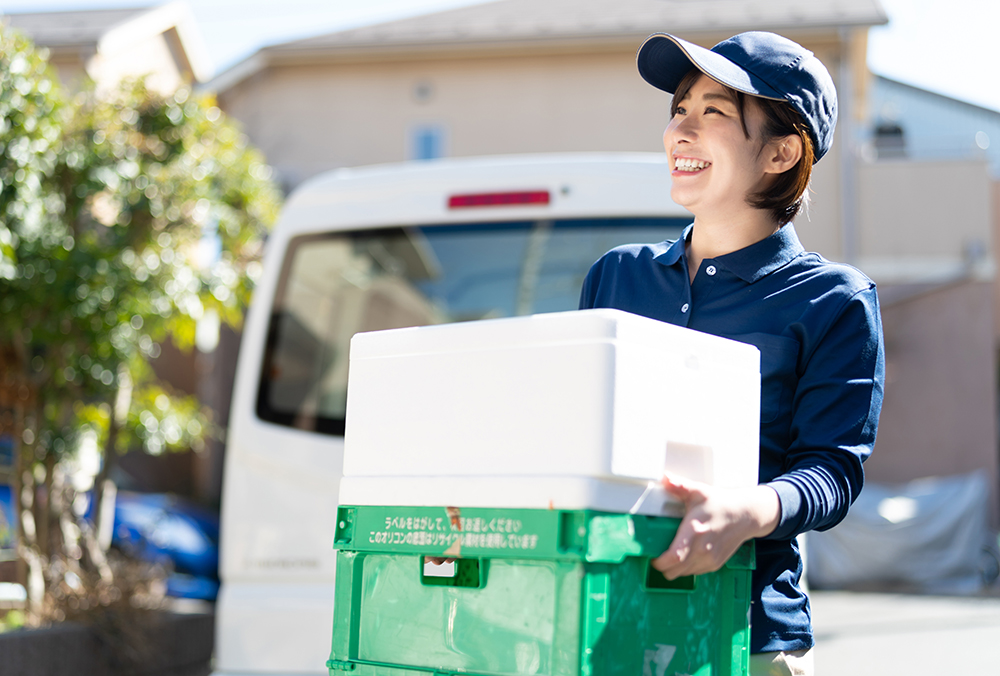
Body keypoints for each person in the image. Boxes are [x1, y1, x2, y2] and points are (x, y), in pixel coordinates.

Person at [579, 32, 884, 676]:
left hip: (749, 636)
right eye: (678, 110)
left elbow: (831, 473)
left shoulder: (835, 300)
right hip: (597, 618)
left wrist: (747, 511)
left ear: (781, 151)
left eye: (712, 112)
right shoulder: (615, 276)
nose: (679, 132)